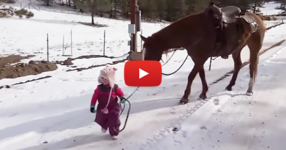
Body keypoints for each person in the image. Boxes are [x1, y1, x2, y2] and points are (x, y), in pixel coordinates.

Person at [90, 65, 126, 140]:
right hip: (103, 107)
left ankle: (114, 132)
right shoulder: (99, 88)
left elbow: (120, 93)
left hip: (114, 106)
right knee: (102, 118)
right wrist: (92, 105)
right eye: (102, 78)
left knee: (114, 120)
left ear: (110, 79)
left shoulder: (114, 87)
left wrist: (122, 98)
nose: (103, 80)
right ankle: (104, 126)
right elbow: (94, 97)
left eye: (105, 79)